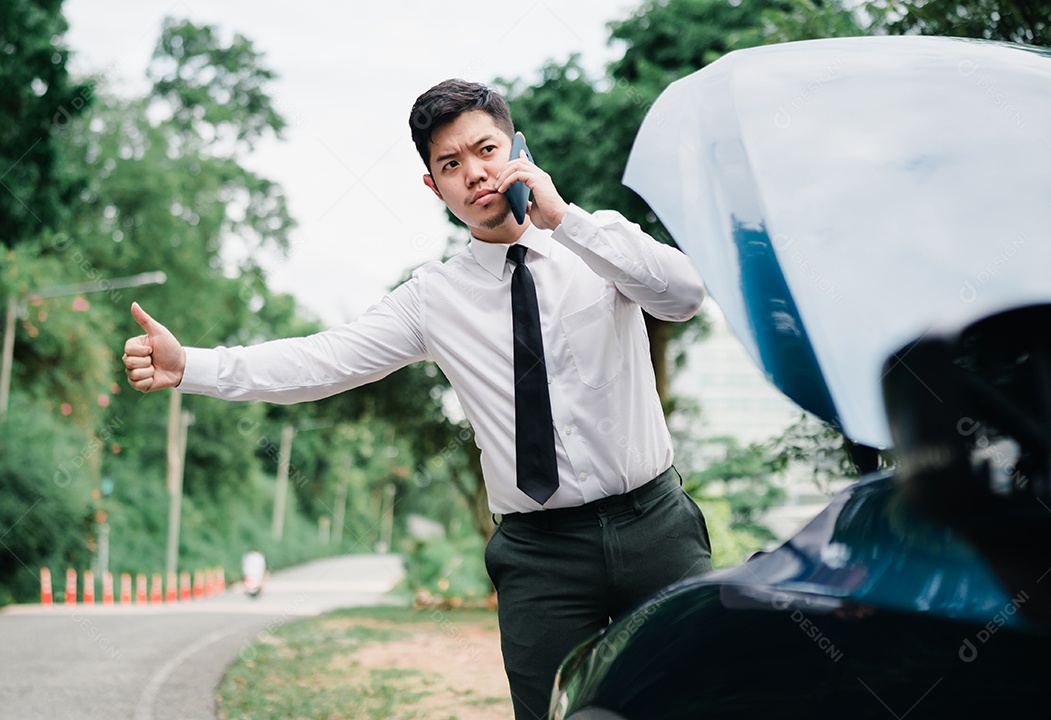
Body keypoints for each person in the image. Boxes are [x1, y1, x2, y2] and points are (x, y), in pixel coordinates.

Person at [123, 79, 713, 719]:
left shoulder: (598, 242)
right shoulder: (433, 299)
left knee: (699, 701)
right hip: (542, 556)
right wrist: (193, 366)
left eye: (486, 150)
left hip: (654, 526)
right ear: (435, 187)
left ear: (517, 147)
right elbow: (325, 359)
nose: (476, 174)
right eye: (451, 165)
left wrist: (564, 219)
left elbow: (682, 296)